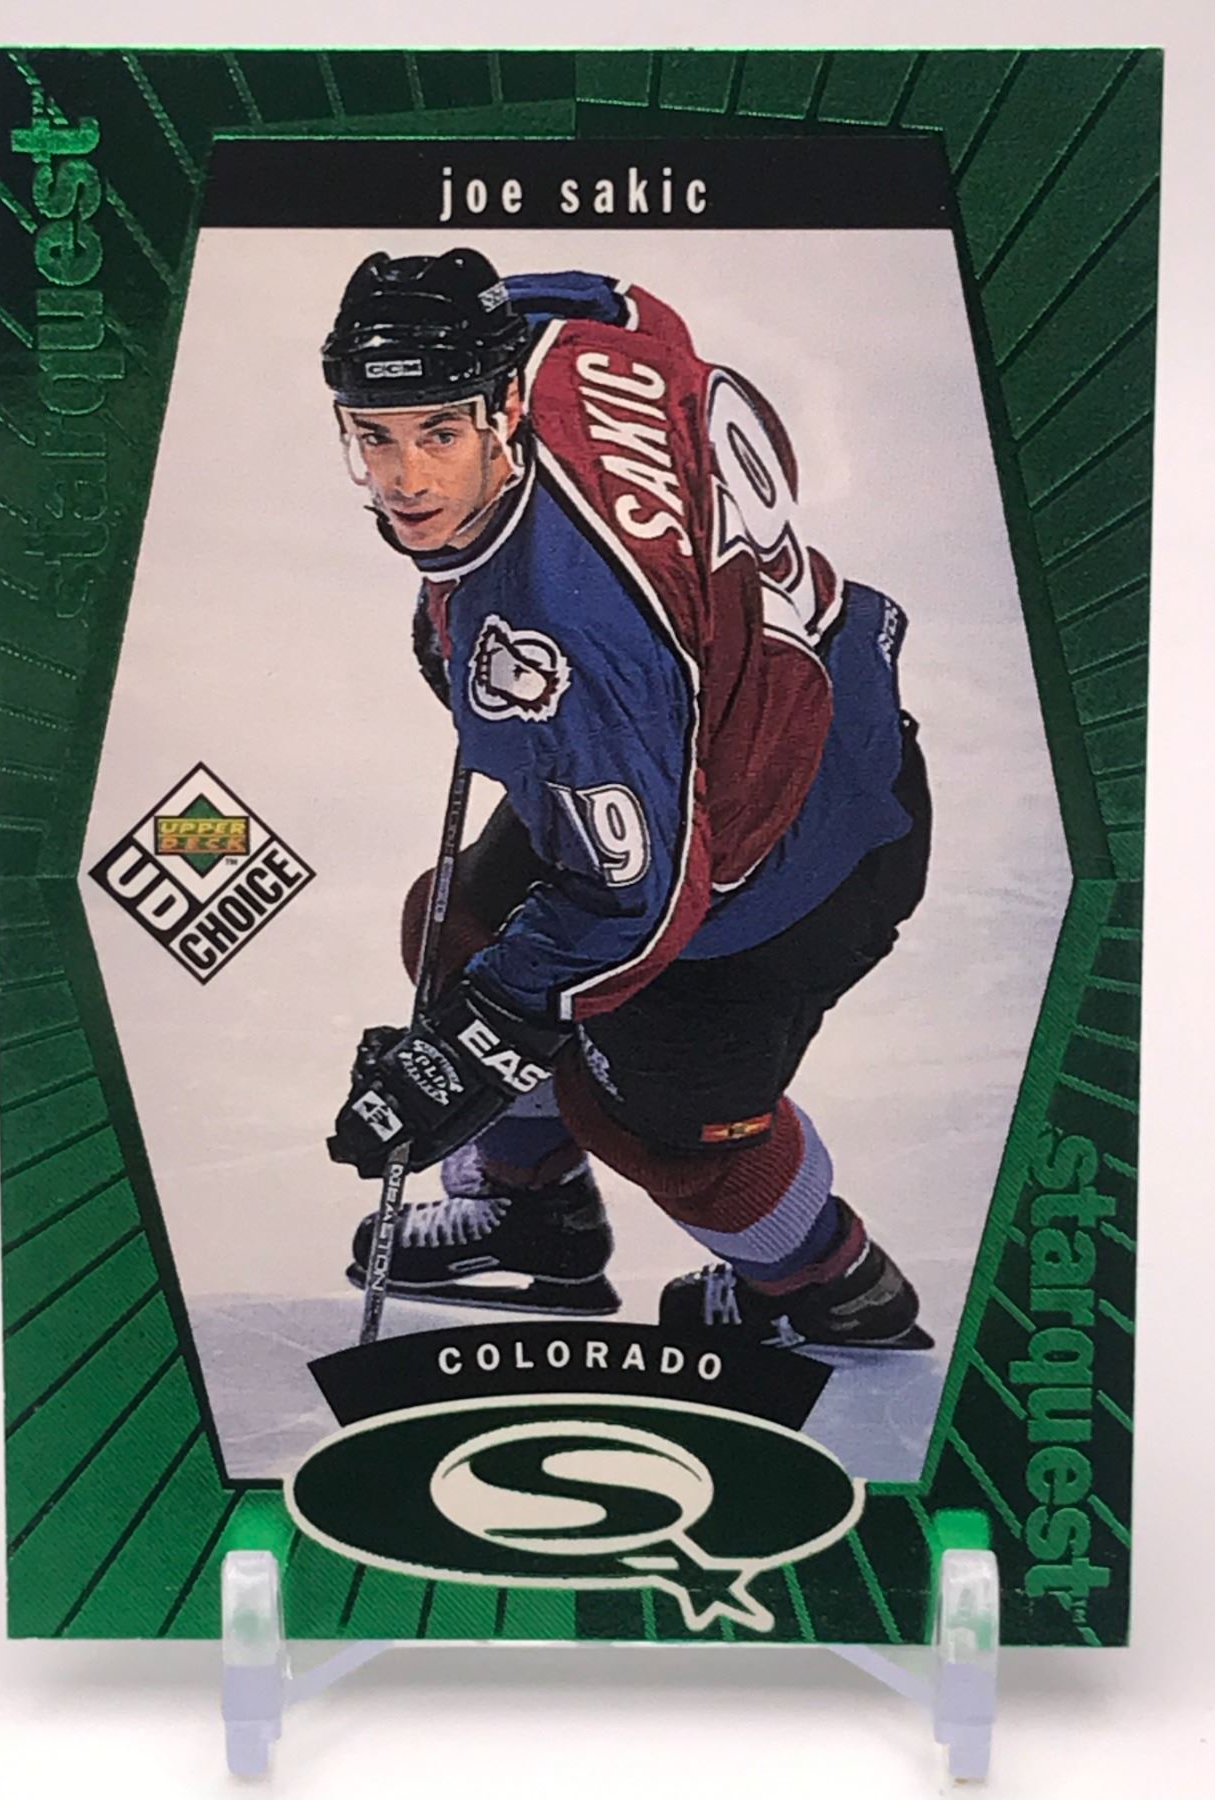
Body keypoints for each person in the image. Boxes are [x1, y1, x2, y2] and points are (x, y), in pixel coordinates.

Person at [322, 246, 932, 1351]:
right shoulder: (562, 343)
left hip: (789, 845)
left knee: (654, 1113)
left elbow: (635, 904)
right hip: (743, 719)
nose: (405, 478)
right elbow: (622, 303)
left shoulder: (565, 643)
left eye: (439, 435)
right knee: (460, 933)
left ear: (504, 407)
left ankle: (827, 1285)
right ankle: (532, 1213)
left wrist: (476, 1049)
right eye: (376, 435)